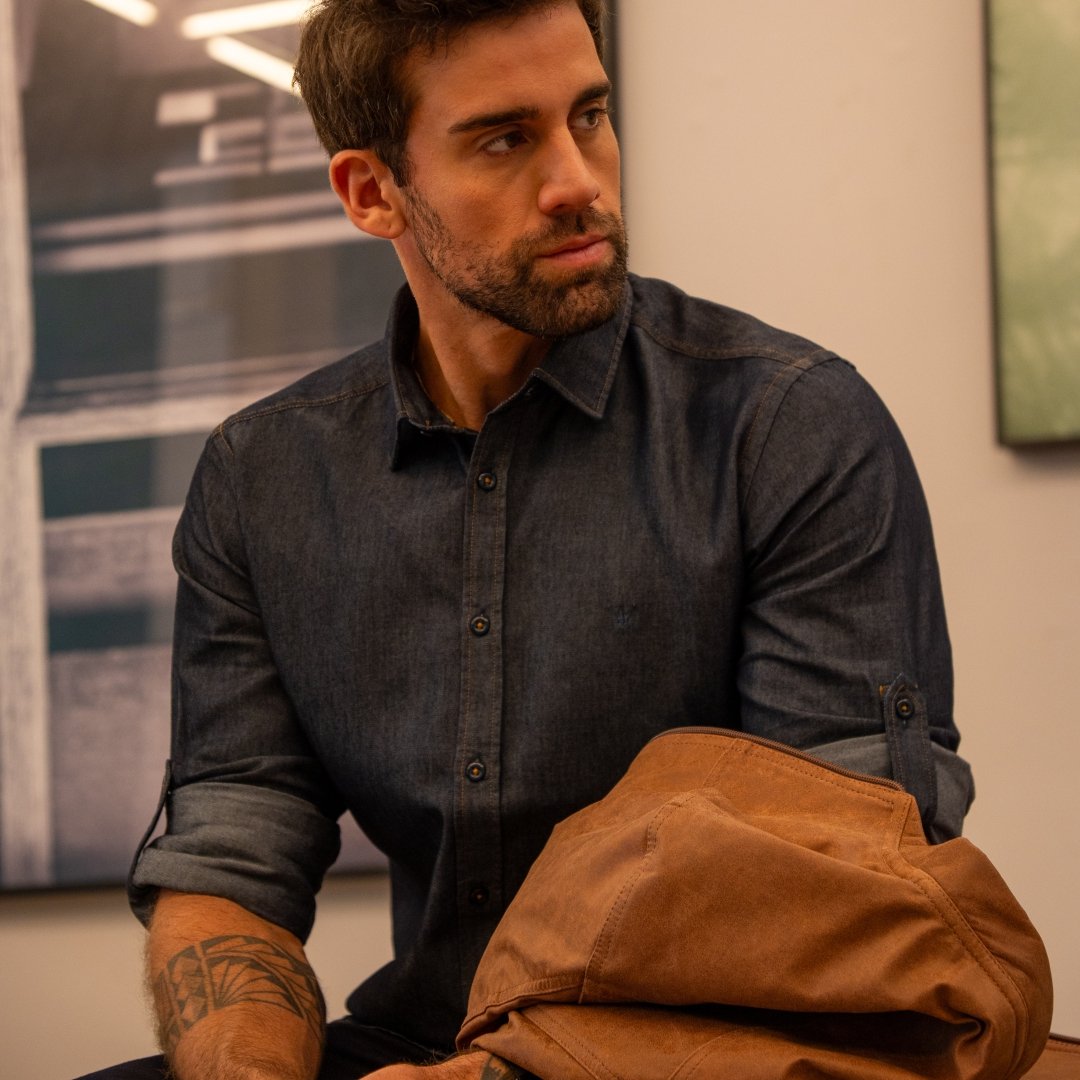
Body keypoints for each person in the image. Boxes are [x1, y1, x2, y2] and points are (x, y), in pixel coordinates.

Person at [82, 1, 973, 1078]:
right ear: (371, 192)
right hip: (421, 1040)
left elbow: (842, 889)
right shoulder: (261, 478)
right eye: (504, 140)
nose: (576, 182)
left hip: (720, 1051)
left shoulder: (789, 426)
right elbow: (232, 864)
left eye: (588, 116)